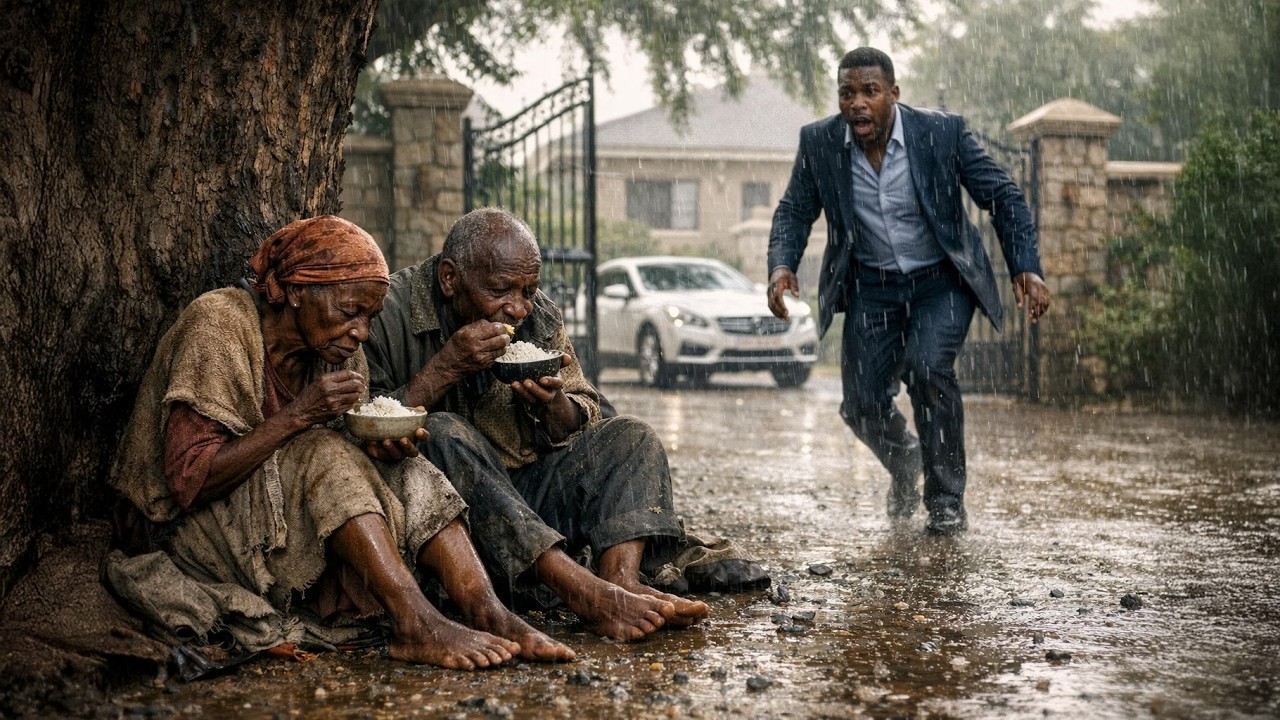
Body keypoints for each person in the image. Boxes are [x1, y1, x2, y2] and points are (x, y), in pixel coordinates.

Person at [107, 215, 574, 669]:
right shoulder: (220, 325)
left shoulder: (339, 353)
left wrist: (384, 447)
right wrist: (299, 415)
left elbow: (342, 464)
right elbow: (191, 481)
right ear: (295, 292)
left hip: (276, 520)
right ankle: (416, 624)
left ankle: (489, 612)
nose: (361, 334)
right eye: (350, 312)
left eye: (370, 317)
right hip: (179, 529)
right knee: (323, 451)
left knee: (408, 465)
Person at [364, 207, 711, 641]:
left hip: (528, 499)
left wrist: (554, 407)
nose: (517, 308)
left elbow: (584, 412)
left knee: (633, 436)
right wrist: (443, 370)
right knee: (443, 431)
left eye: (529, 290)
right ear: (450, 279)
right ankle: (576, 588)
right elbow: (360, 426)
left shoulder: (537, 316)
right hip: (449, 529)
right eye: (500, 290)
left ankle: (619, 579)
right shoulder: (387, 311)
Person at [766, 47, 1051, 535]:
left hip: (940, 282)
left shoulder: (941, 133)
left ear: (893, 95)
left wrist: (1026, 266)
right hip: (872, 286)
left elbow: (1002, 195)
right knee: (860, 403)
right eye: (847, 93)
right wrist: (781, 265)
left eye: (869, 92)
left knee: (928, 368)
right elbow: (795, 210)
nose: (857, 103)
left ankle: (944, 499)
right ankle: (906, 460)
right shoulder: (820, 142)